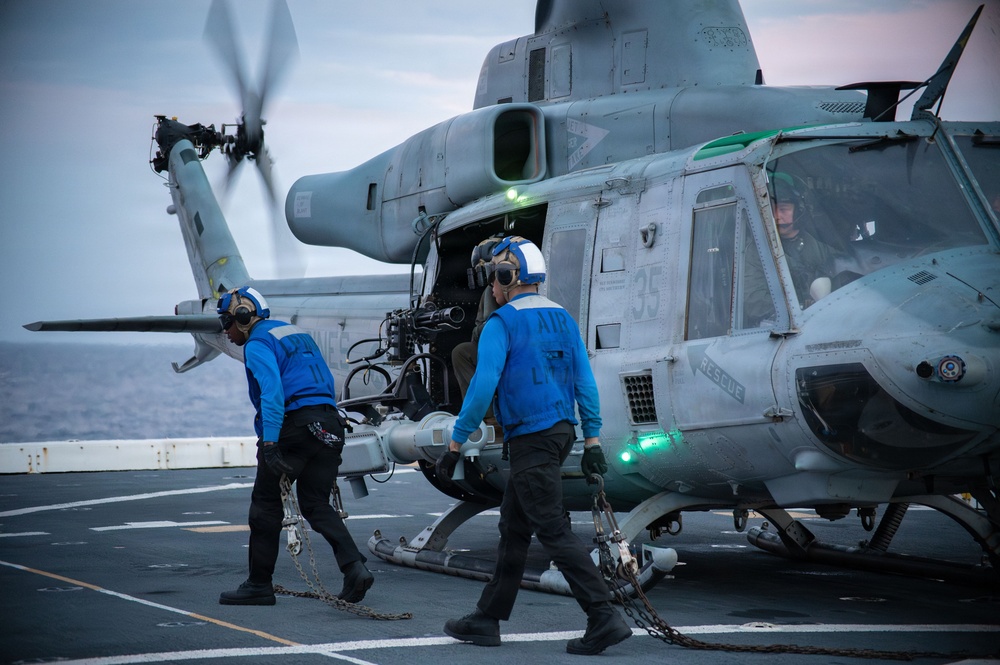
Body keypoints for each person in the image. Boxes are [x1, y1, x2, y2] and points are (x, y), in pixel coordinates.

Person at [436, 237, 630, 656]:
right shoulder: (563, 318)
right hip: (560, 434)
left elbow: (482, 387)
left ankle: (603, 615)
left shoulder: (501, 324)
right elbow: (584, 383)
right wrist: (592, 438)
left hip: (531, 437)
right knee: (514, 527)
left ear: (508, 277)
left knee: (552, 529)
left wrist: (455, 443)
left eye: (494, 277)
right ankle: (487, 618)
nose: (491, 286)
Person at [216, 286, 374, 606]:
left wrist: (271, 442)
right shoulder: (296, 334)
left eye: (226, 322)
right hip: (329, 425)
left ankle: (259, 584)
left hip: (294, 429)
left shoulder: (258, 343)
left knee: (266, 505)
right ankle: (354, 568)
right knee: (316, 504)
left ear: (244, 318)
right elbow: (324, 381)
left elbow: (272, 393)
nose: (225, 331)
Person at [743, 172, 836, 325]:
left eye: (784, 209)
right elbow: (754, 301)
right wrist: (799, 309)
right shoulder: (756, 252)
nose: (777, 216)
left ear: (798, 210)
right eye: (771, 210)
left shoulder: (821, 249)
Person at [451, 236, 501, 426]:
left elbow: (490, 328)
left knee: (463, 352)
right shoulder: (491, 290)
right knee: (463, 352)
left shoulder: (494, 291)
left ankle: (488, 418)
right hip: (494, 348)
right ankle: (484, 415)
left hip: (503, 350)